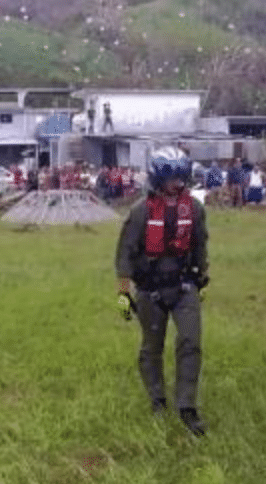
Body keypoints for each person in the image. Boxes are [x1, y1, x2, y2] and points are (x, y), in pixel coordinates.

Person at [115, 146, 210, 436]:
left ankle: (187, 406)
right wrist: (123, 292)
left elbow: (200, 245)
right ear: (157, 179)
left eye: (181, 179)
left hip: (184, 287)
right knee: (151, 347)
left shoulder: (194, 209)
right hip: (149, 291)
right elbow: (125, 253)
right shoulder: (140, 212)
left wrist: (201, 280)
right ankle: (157, 398)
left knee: (190, 342)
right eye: (171, 180)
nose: (177, 185)